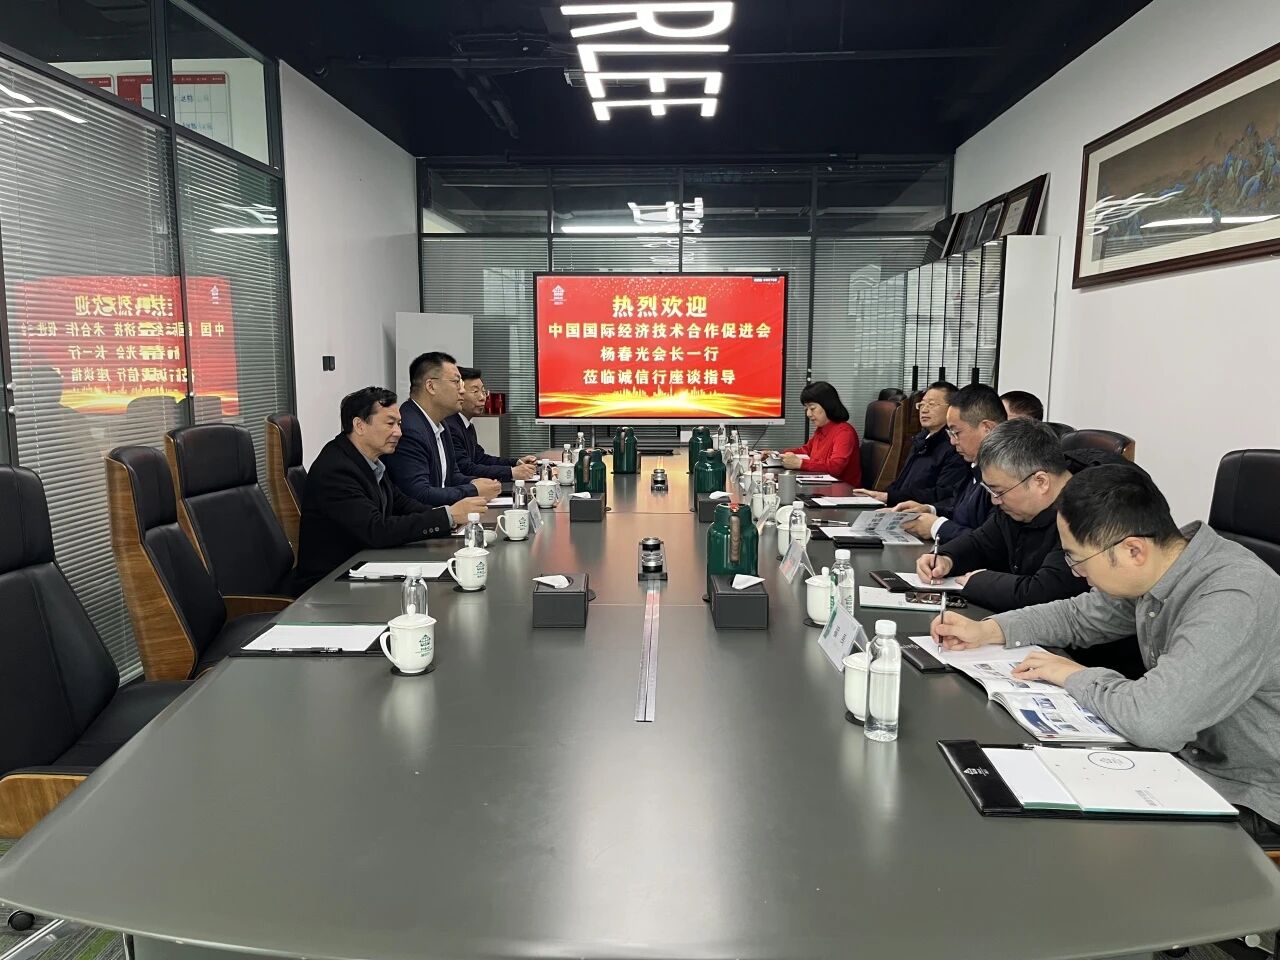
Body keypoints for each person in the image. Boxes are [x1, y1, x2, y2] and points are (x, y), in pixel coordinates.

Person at [930, 465, 1280, 845]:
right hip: (1184, 760)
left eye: (1077, 559)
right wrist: (988, 630)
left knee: (1058, 839)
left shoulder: (1234, 598)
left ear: (1133, 550)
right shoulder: (1164, 565)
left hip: (1251, 796)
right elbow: (1077, 615)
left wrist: (1072, 674)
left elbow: (1154, 721)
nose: (1076, 573)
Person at [295, 387, 488, 590]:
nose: (398, 432)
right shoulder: (336, 469)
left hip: (362, 568)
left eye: (399, 424)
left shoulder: (370, 460)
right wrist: (446, 516)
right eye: (390, 424)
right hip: (328, 585)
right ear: (359, 425)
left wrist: (448, 518)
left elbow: (401, 503)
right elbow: (376, 530)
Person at [915, 417, 1088, 613]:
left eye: (998, 491)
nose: (994, 500)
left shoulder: (1087, 513)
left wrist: (979, 582)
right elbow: (980, 542)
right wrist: (946, 558)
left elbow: (1042, 593)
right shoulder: (1015, 507)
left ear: (1040, 482)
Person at [384, 351, 502, 507]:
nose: (462, 390)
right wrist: (473, 490)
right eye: (456, 382)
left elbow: (451, 476)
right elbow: (419, 494)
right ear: (431, 386)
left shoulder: (442, 423)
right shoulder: (409, 428)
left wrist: (476, 482)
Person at [892, 383, 1005, 543]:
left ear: (987, 428)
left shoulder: (1005, 477)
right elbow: (960, 512)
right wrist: (930, 510)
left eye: (956, 432)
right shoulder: (975, 466)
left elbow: (990, 542)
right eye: (950, 433)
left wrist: (936, 527)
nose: (952, 441)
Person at [852, 381, 967, 507]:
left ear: (952, 409)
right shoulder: (921, 440)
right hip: (899, 507)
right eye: (922, 404)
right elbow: (901, 483)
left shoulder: (955, 446)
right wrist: (883, 496)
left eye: (932, 404)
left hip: (920, 512)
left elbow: (942, 494)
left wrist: (889, 497)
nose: (924, 410)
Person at [446, 368, 538, 482]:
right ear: (459, 393)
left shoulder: (466, 426)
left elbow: (481, 459)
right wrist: (511, 472)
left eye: (483, 391)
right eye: (475, 392)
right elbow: (465, 468)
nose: (482, 397)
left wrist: (516, 462)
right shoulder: (450, 427)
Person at [769, 381, 861, 486]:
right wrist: (776, 454)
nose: (808, 414)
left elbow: (836, 467)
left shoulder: (844, 432)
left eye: (812, 408)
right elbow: (806, 451)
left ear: (828, 405)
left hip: (842, 491)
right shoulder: (821, 429)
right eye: (806, 409)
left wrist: (800, 464)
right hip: (822, 487)